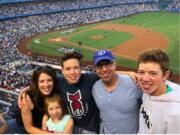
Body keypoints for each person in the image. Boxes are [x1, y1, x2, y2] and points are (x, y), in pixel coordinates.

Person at [18, 51, 138, 134]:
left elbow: (106, 72)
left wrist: (128, 73)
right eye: (68, 69)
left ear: (81, 69)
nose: (72, 72)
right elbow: (44, 83)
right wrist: (27, 89)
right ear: (62, 71)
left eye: (76, 68)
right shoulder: (58, 82)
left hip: (89, 130)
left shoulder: (90, 78)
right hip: (69, 126)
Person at [92, 49, 142, 134]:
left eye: (108, 64)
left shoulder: (134, 83)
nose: (104, 69)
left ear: (115, 64)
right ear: (95, 69)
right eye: (99, 66)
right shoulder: (94, 87)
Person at [137, 48, 180, 134]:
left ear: (165, 75)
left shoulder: (175, 114)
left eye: (153, 73)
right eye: (141, 72)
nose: (145, 79)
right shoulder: (148, 91)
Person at [5, 66, 58, 134]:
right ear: (36, 83)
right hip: (23, 129)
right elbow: (29, 128)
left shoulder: (55, 90)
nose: (46, 84)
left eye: (49, 80)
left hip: (42, 128)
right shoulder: (27, 98)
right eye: (42, 81)